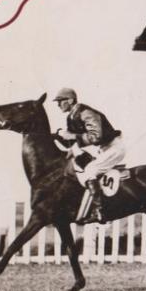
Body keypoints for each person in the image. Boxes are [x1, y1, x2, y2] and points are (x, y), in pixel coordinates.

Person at [52, 87, 126, 223]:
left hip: (114, 147)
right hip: (103, 149)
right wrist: (56, 137)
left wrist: (71, 135)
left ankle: (99, 211)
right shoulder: (71, 117)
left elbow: (96, 137)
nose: (58, 105)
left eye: (60, 101)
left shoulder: (86, 113)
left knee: (90, 170)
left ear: (70, 100)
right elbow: (72, 142)